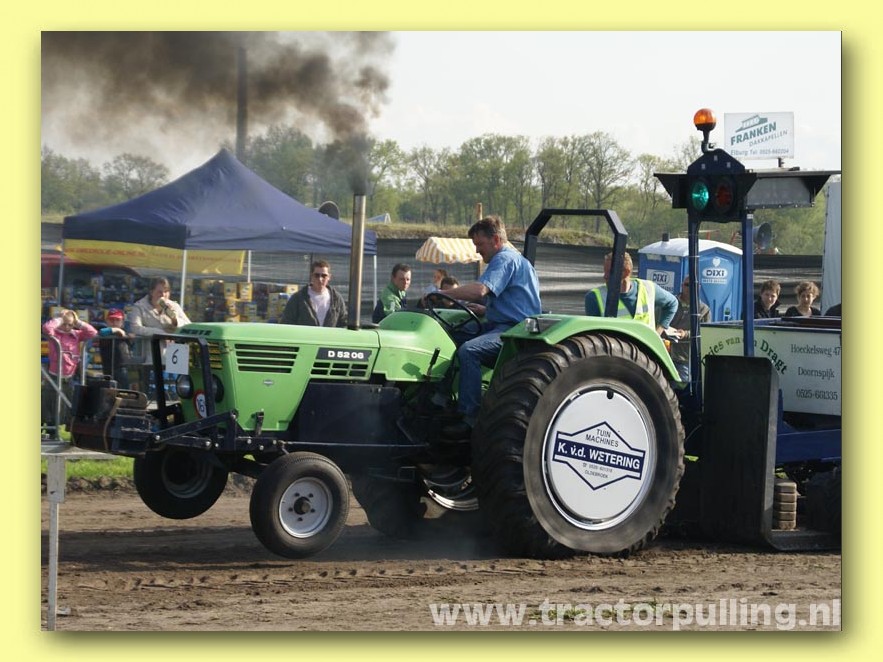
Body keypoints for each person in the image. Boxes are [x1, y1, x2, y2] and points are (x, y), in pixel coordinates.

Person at [434, 216, 541, 438]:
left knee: (469, 351)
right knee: (448, 337)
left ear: (495, 240)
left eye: (480, 244)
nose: (477, 251)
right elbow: (510, 300)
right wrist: (486, 310)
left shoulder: (505, 259)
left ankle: (469, 417)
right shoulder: (512, 261)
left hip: (514, 332)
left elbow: (479, 291)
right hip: (502, 324)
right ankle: (440, 399)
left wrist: (441, 294)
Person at [584, 252, 678, 333]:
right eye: (605, 271)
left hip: (645, 348)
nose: (605, 276)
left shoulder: (648, 288)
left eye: (610, 272)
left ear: (626, 272)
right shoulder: (594, 297)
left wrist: (658, 332)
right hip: (616, 349)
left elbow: (672, 303)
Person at [41, 309, 98, 429]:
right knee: (49, 403)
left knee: (67, 404)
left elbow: (92, 333)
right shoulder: (55, 333)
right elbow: (46, 328)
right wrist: (60, 319)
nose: (67, 327)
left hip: (70, 376)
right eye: (64, 324)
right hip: (54, 375)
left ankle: (64, 428)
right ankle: (49, 428)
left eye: (70, 324)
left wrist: (78, 322)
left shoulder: (76, 335)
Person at [280, 260, 348, 327]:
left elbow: (343, 323)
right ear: (311, 276)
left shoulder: (337, 299)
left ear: (329, 277)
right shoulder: (298, 298)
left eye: (324, 276)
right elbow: (286, 323)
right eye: (316, 275)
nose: (320, 279)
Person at [669, 278, 710, 383]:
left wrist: (685, 334)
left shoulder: (704, 309)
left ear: (698, 288)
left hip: (685, 358)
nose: (690, 288)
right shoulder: (670, 302)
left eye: (693, 285)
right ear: (682, 285)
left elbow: (705, 333)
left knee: (682, 386)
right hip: (665, 354)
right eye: (687, 285)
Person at [98, 308, 133, 388]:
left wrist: (130, 338)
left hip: (124, 368)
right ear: (107, 321)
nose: (114, 322)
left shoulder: (125, 333)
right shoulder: (106, 333)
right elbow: (102, 332)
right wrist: (116, 330)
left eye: (117, 320)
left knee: (124, 390)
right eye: (111, 320)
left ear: (122, 322)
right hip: (109, 369)